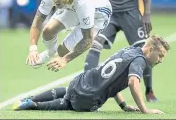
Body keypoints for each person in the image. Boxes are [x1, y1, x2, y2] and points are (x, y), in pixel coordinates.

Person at [14, 35, 170, 114]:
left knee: (68, 92)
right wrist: (145, 110)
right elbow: (132, 83)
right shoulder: (140, 60)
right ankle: (35, 105)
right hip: (88, 98)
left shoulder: (128, 51)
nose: (161, 60)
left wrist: (123, 106)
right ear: (150, 50)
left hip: (80, 81)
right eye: (160, 55)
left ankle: (30, 99)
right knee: (69, 104)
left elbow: (112, 80)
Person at [84, 0, 156, 102]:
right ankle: (86, 86)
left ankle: (149, 90)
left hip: (131, 11)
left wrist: (146, 13)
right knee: (95, 43)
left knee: (144, 50)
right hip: (109, 11)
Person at [26, 0, 112, 70]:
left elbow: (88, 39)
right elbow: (38, 20)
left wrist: (65, 59)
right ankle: (50, 54)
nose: (55, 1)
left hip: (98, 16)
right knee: (47, 31)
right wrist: (33, 48)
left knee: (62, 52)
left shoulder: (83, 3)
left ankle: (50, 54)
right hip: (71, 5)